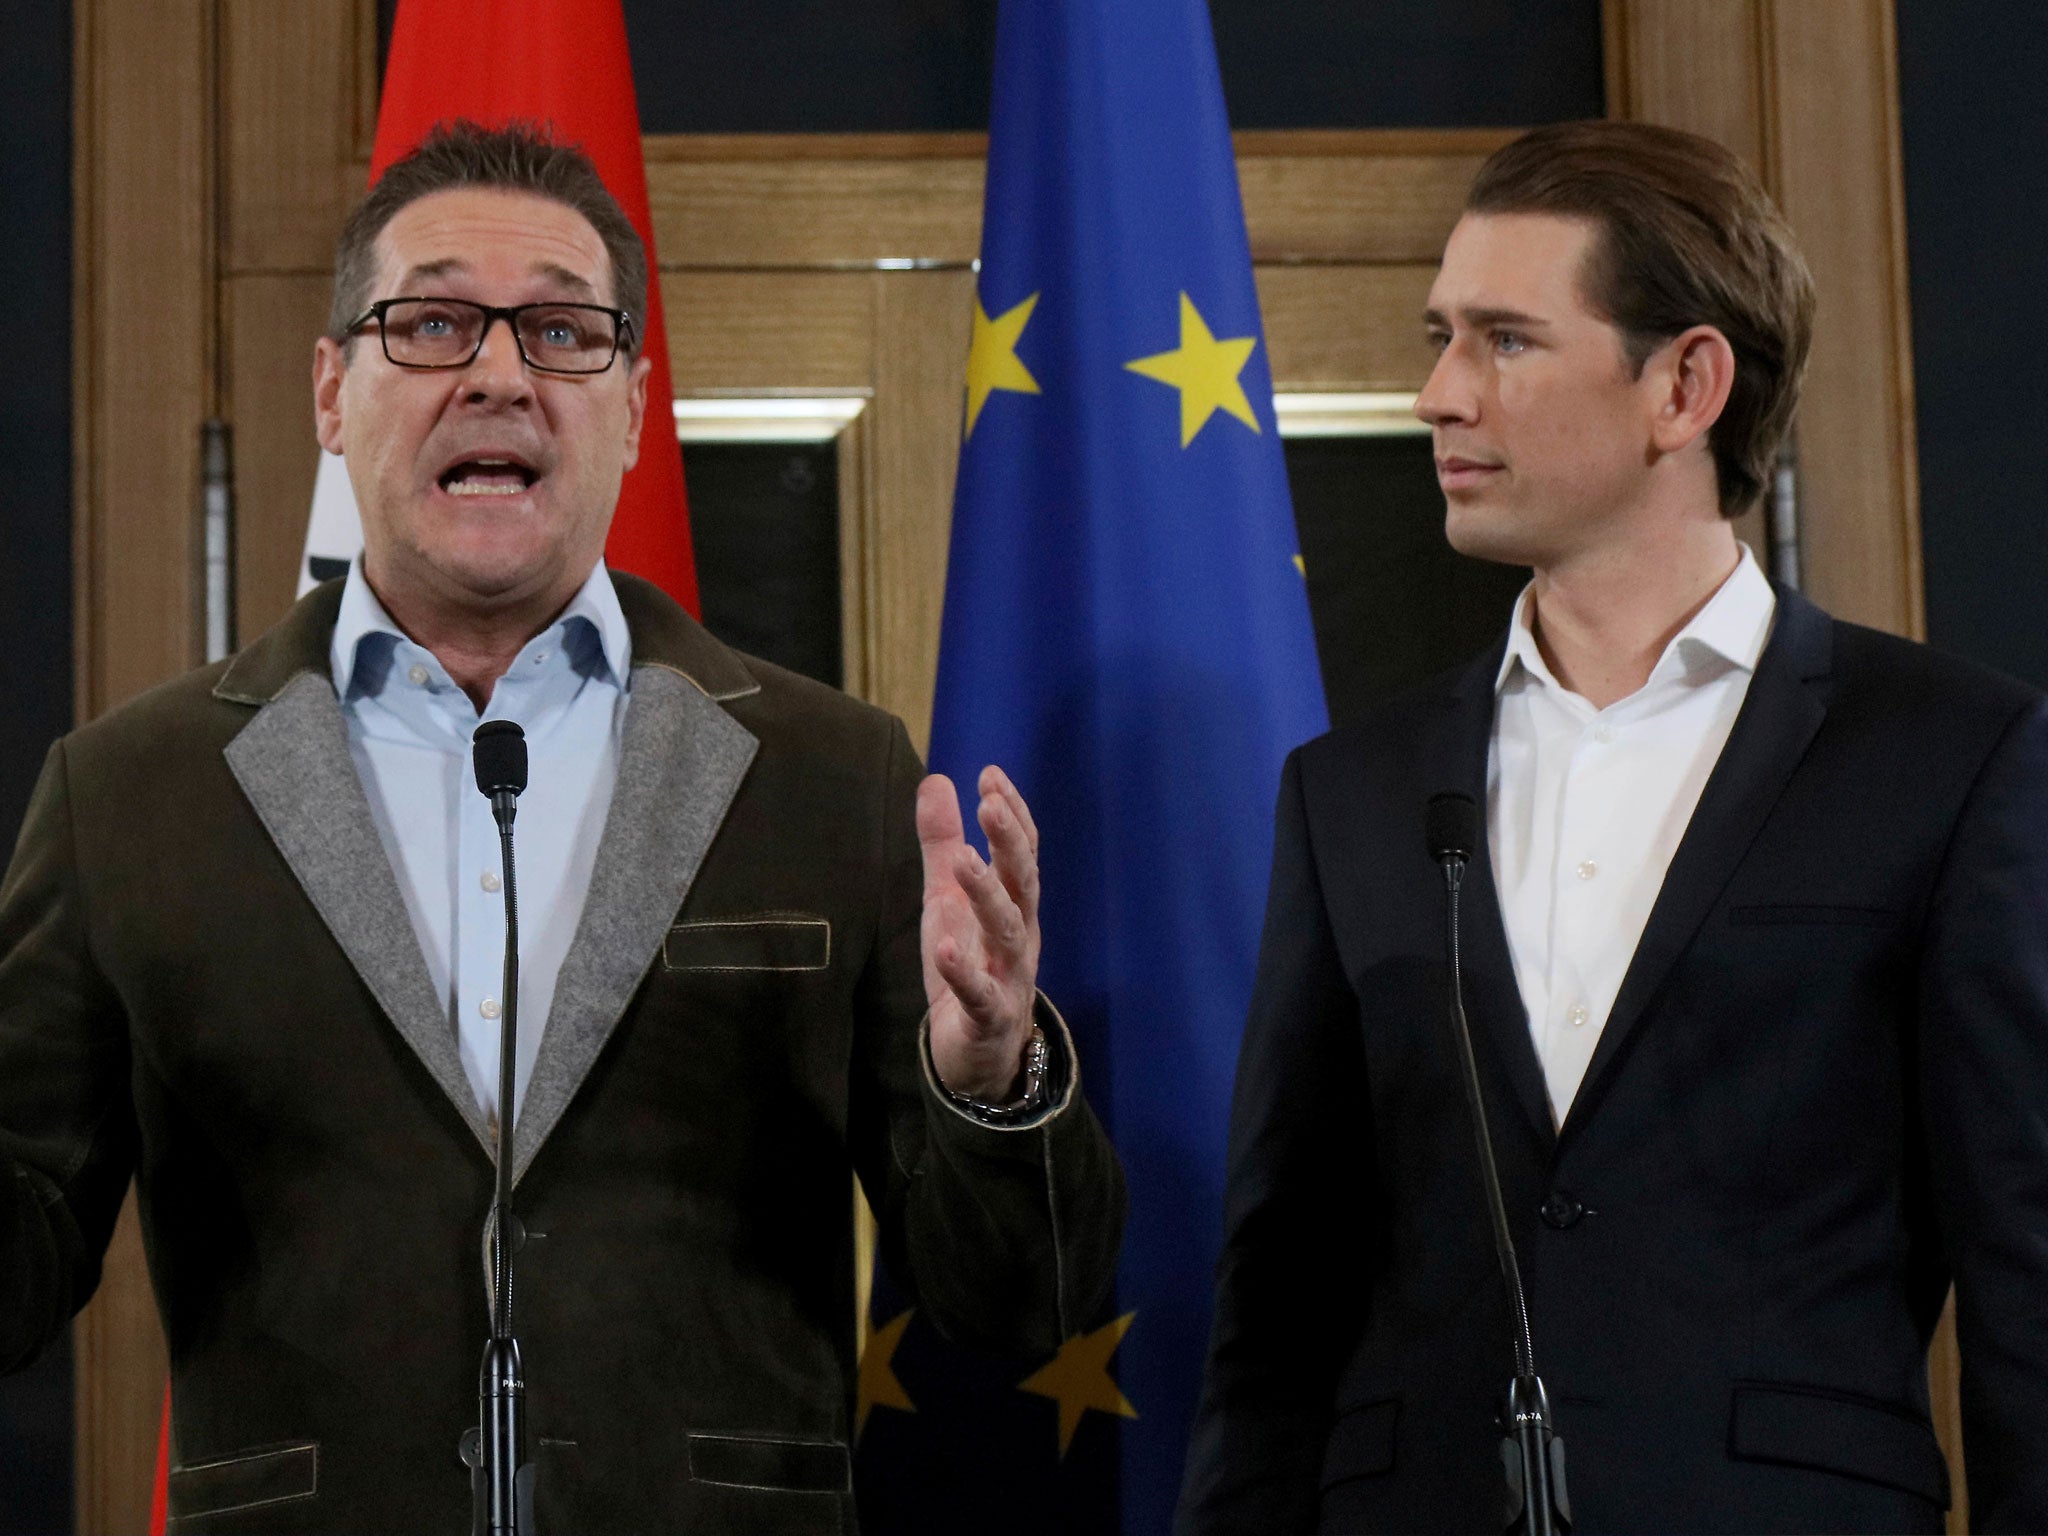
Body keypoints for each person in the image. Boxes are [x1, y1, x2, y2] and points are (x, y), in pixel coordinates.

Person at [0, 122, 1123, 1534]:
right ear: (331, 391)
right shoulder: (131, 794)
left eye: (560, 332)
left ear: (636, 404)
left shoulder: (828, 775)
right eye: (431, 323)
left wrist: (992, 1081)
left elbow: (1022, 1301)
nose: (497, 374)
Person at [1177, 119, 2048, 1534]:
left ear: (1685, 386)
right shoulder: (1355, 790)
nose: (1438, 394)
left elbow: (2028, 1276)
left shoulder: (1949, 756)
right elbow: (1279, 1305)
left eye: (1505, 342)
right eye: (1440, 337)